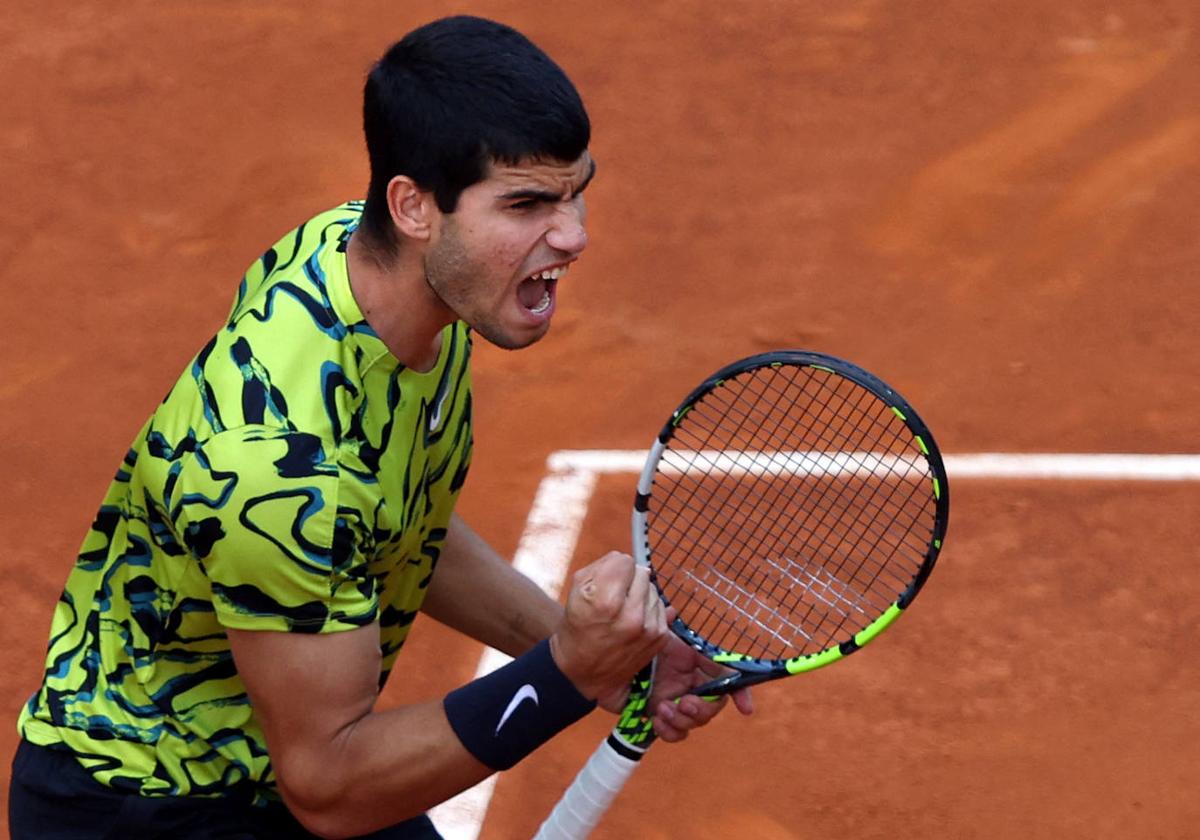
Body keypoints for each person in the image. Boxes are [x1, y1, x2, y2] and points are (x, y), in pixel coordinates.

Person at [9, 15, 752, 840]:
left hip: (266, 752)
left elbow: (392, 525)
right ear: (413, 206)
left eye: (576, 190)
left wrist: (612, 660)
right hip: (148, 808)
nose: (574, 235)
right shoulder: (282, 469)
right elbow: (330, 787)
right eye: (527, 203)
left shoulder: (377, 273)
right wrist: (567, 672)